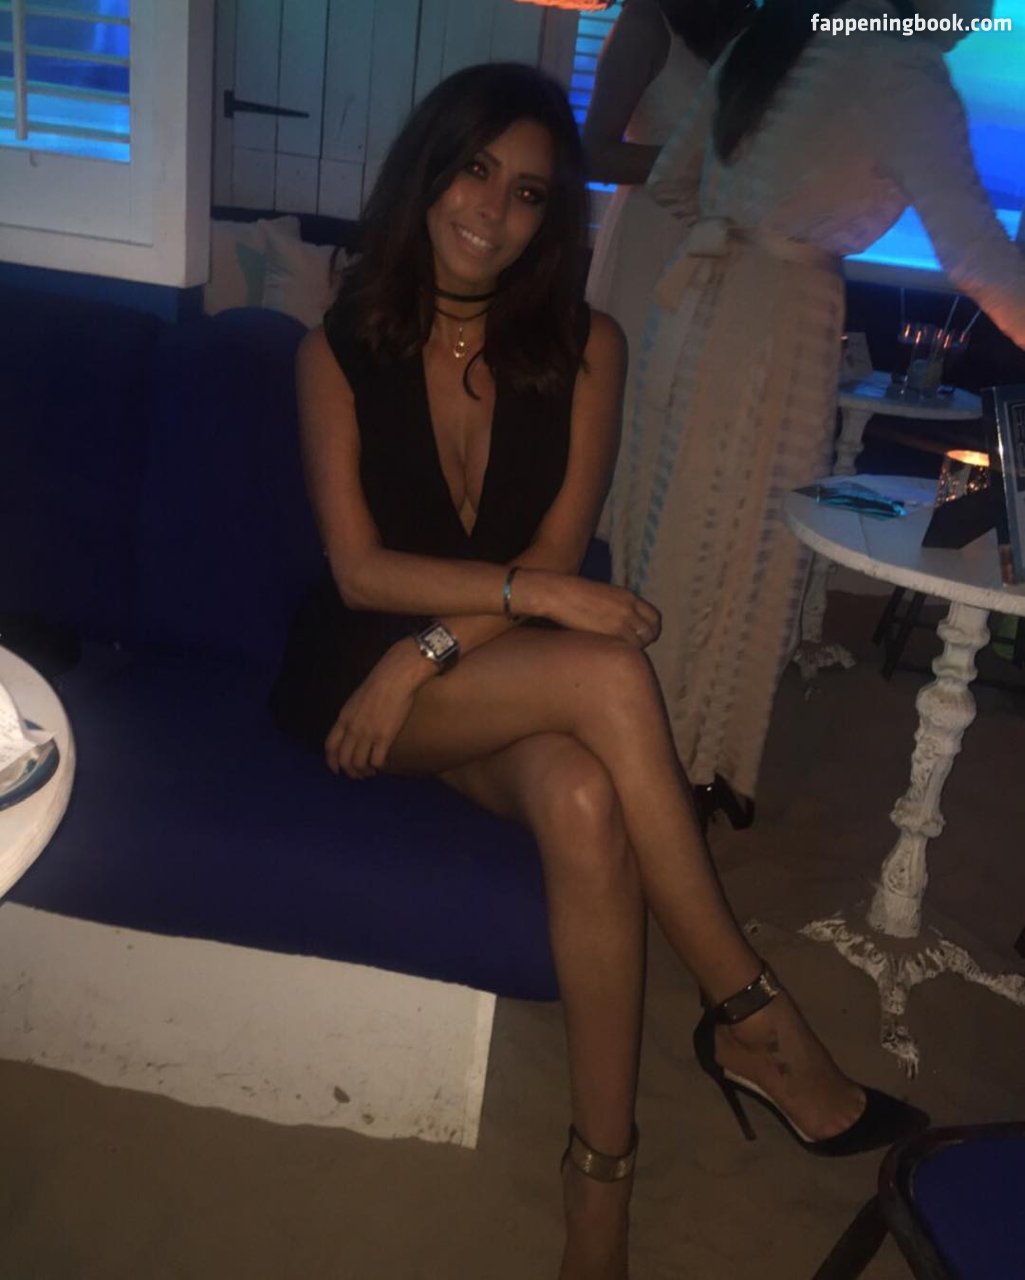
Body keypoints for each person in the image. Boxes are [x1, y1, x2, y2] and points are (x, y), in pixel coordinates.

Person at [270, 62, 926, 1280]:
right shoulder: (337, 348)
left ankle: (598, 1193)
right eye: (474, 170)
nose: (492, 209)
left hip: (462, 667)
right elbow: (359, 573)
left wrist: (435, 649)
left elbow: (555, 550)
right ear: (427, 171)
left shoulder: (588, 348)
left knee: (583, 797)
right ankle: (749, 1014)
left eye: (526, 192)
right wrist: (461, 631)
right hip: (354, 677)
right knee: (612, 676)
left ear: (548, 219)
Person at [609, 0, 1025, 828]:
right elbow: (976, 253)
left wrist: (744, 236)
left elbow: (670, 181)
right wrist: (785, 257)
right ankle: (677, 772)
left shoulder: (780, 33)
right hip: (772, 326)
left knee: (671, 534)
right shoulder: (896, 64)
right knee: (736, 553)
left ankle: (652, 746)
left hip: (694, 308)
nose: (980, 17)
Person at [584, 0, 752, 540]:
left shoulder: (759, 30)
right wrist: (701, 168)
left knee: (703, 415)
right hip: (651, 241)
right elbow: (592, 152)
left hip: (730, 249)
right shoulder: (646, 21)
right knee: (634, 398)